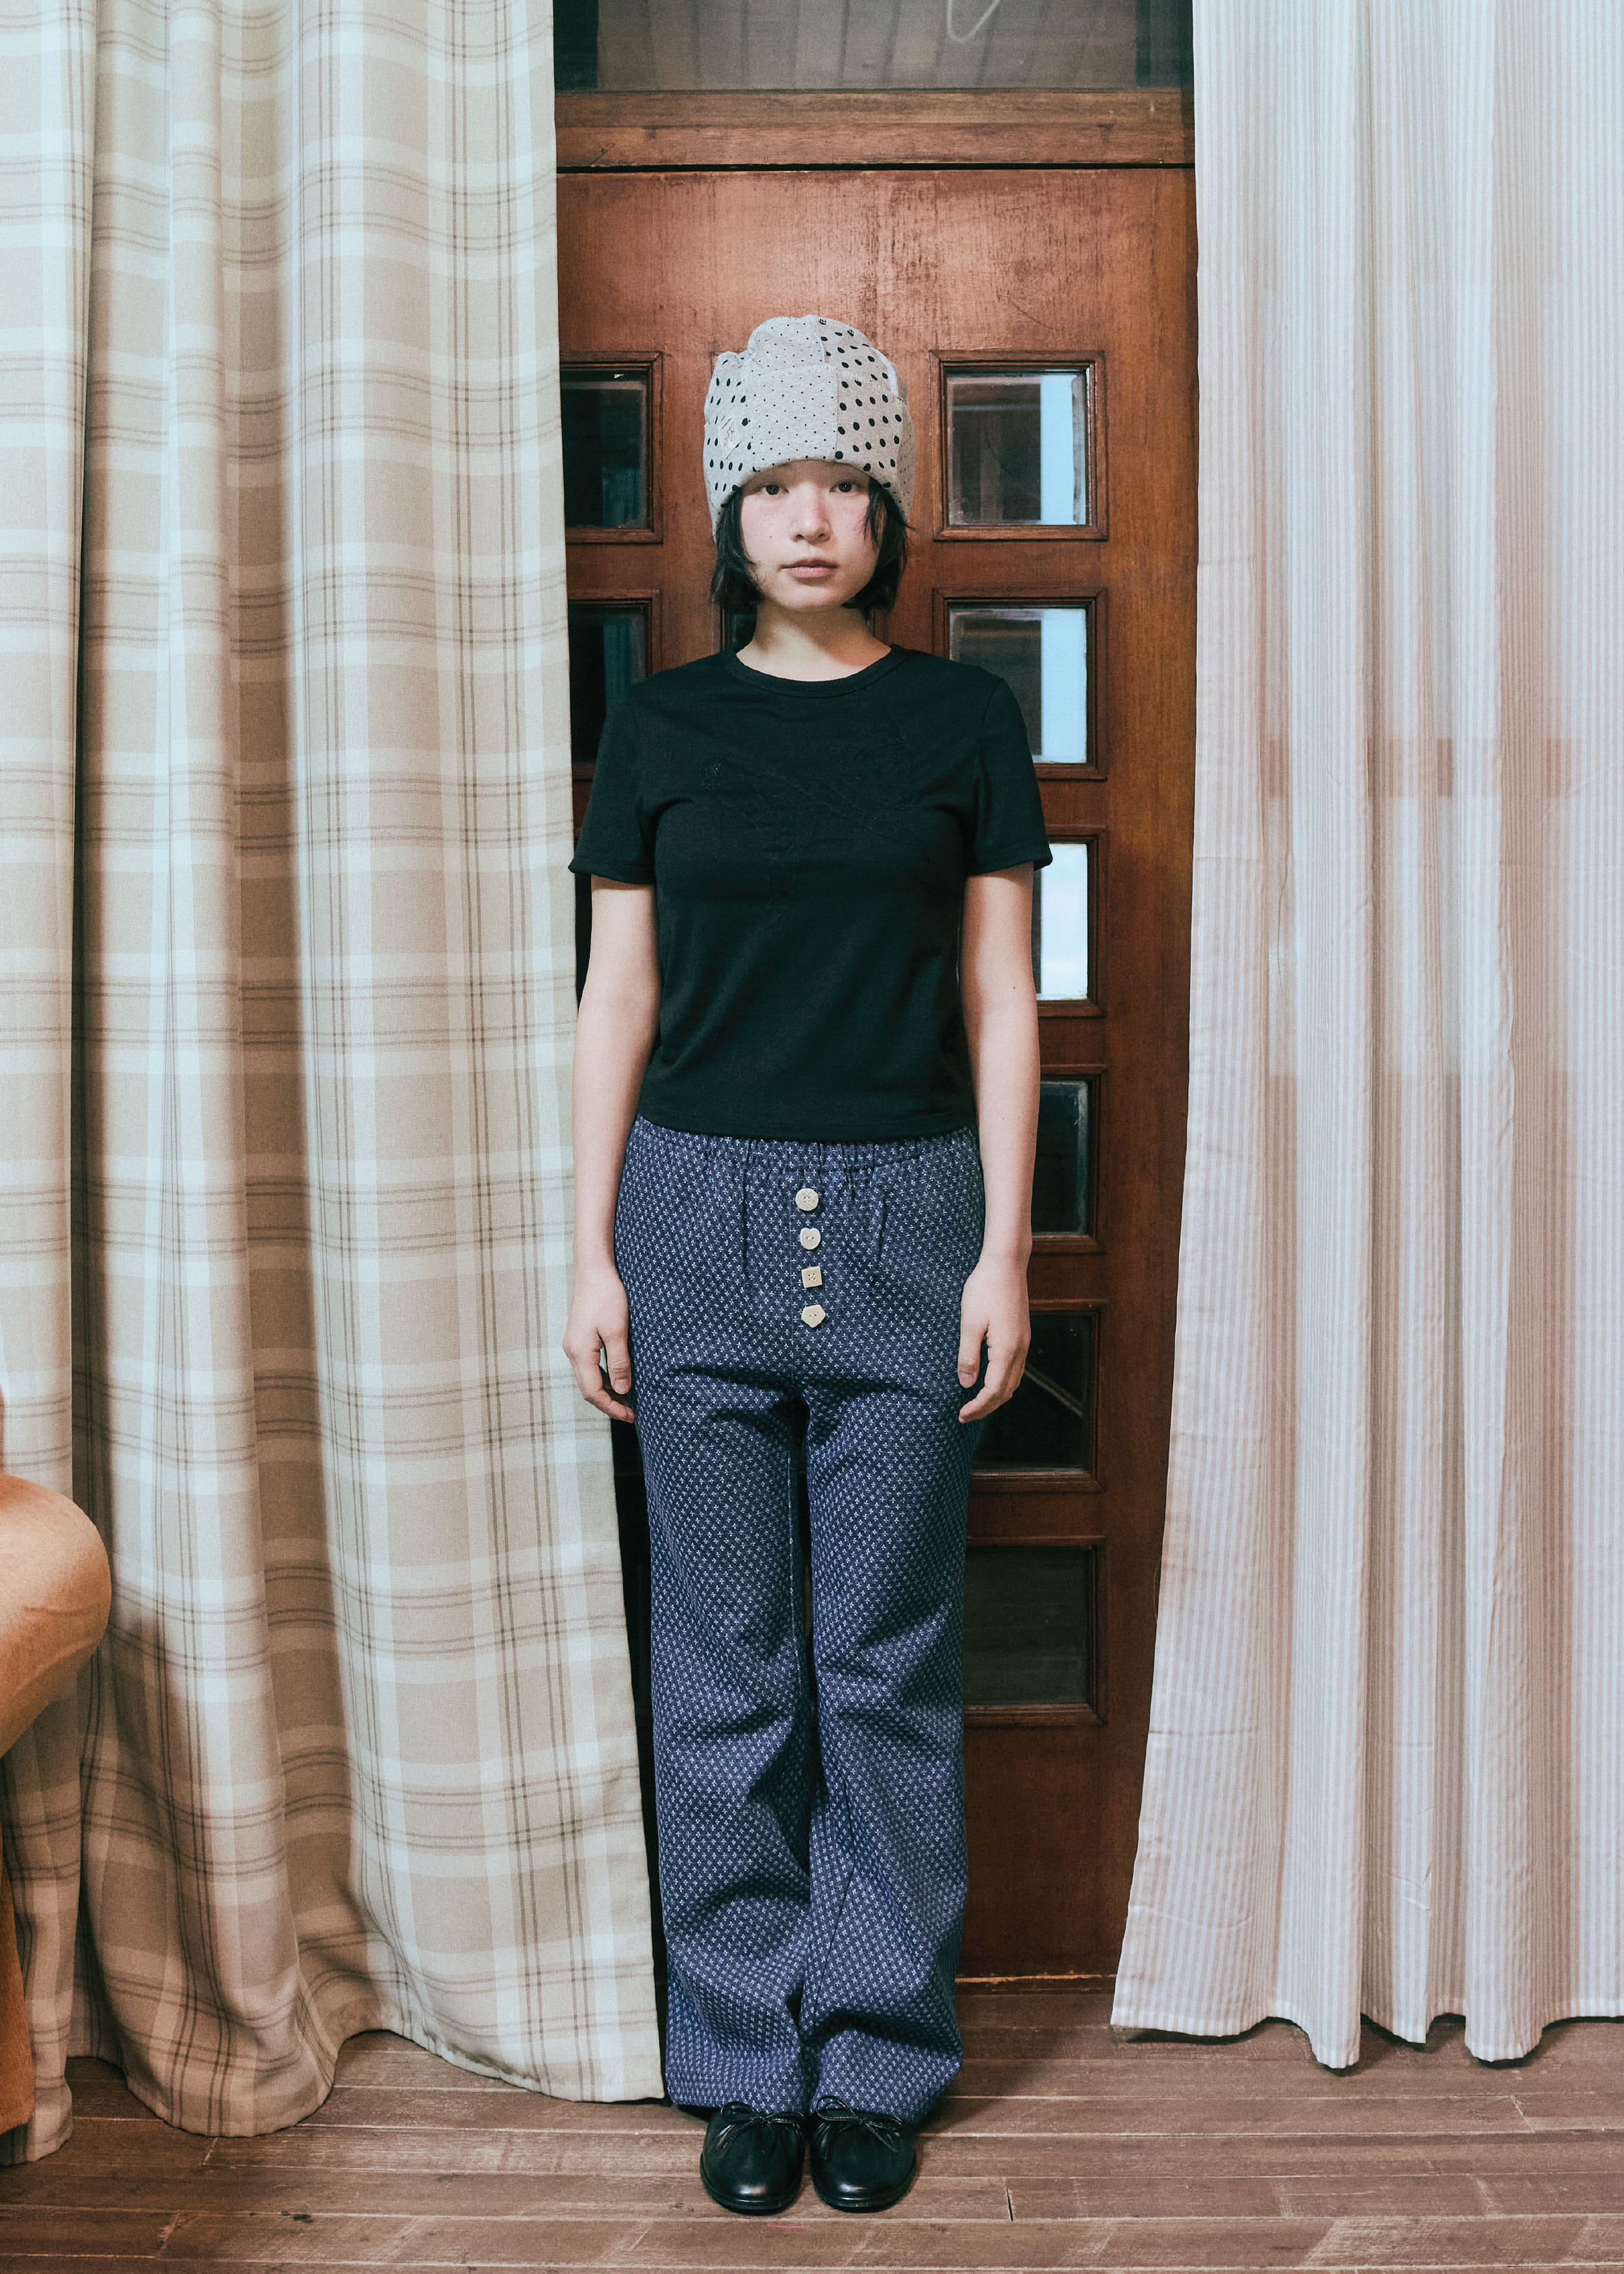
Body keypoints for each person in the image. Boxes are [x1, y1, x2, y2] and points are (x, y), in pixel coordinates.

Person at [563, 314, 1052, 2217]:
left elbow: (1001, 997)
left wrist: (1003, 1250)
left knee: (885, 1658)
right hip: (689, 1216)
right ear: (727, 511)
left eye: (842, 482)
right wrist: (589, 1250)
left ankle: (875, 2056)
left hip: (914, 1210)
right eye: (771, 484)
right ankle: (741, 2058)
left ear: (888, 509)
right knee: (724, 1667)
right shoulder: (665, 727)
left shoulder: (960, 722)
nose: (809, 517)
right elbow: (618, 997)